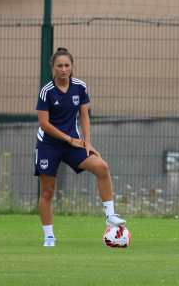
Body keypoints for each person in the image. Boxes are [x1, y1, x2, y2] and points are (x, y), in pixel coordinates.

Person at [34, 47, 126, 247]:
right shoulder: (46, 91)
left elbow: (84, 116)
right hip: (49, 144)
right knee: (47, 191)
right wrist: (69, 139)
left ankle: (110, 215)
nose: (63, 69)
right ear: (53, 68)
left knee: (102, 167)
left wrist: (87, 141)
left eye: (67, 65)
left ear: (72, 66)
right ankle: (49, 236)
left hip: (73, 143)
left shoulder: (80, 87)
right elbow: (45, 125)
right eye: (59, 66)